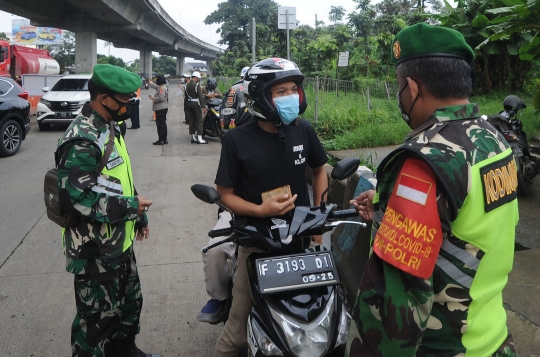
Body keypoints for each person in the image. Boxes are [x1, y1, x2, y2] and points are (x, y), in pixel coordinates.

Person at [345, 23, 519, 356]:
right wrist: (385, 204)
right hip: (495, 338)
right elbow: (468, 219)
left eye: (399, 87)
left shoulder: (424, 162)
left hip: (444, 348)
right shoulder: (493, 138)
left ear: (411, 87)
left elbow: (395, 311)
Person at [212, 58, 328, 357]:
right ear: (259, 95)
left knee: (313, 319)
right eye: (281, 91)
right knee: (236, 332)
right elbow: (224, 194)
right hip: (256, 246)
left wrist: (319, 218)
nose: (291, 96)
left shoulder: (303, 129)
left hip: (299, 242)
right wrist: (259, 210)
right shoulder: (237, 139)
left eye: (294, 89)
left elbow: (319, 170)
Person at [55, 64, 161, 357]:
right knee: (97, 324)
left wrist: (138, 215)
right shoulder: (81, 139)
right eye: (125, 101)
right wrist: (131, 207)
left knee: (129, 307)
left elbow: (119, 180)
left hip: (118, 243)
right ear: (104, 99)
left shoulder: (110, 127)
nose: (129, 107)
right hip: (94, 252)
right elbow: (77, 198)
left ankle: (125, 351)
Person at [184, 71, 207, 144]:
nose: (198, 80)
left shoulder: (186, 86)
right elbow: (200, 97)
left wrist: (185, 107)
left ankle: (193, 137)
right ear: (196, 78)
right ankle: (200, 138)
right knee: (199, 120)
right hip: (195, 104)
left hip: (189, 104)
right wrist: (203, 107)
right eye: (198, 78)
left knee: (191, 120)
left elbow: (186, 98)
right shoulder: (197, 85)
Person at [148, 75, 168, 145]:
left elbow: (160, 98)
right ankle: (164, 139)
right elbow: (157, 87)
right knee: (163, 124)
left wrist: (153, 98)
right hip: (163, 108)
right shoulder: (161, 87)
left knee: (160, 125)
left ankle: (161, 140)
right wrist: (151, 83)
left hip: (160, 108)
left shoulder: (162, 88)